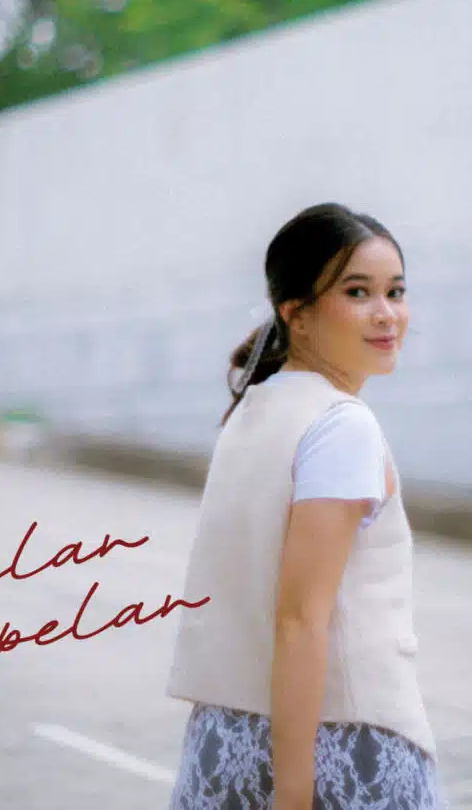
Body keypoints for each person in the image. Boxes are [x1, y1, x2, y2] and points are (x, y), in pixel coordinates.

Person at [166, 202, 448, 809]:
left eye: (396, 291)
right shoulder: (341, 425)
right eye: (357, 292)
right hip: (337, 747)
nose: (386, 314)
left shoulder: (251, 411)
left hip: (223, 741)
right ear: (296, 314)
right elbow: (300, 619)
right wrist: (294, 794)